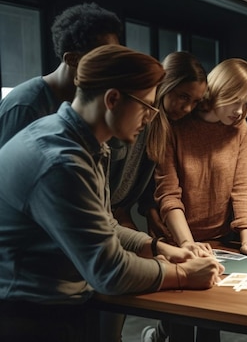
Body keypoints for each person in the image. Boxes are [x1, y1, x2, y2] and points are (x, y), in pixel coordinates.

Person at [0, 44, 224, 341]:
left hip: (56, 306)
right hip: (30, 316)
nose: (150, 117)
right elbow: (110, 271)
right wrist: (183, 275)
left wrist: (158, 248)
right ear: (113, 99)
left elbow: (104, 225)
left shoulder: (85, 144)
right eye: (146, 105)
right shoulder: (62, 161)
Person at [154, 58, 247, 259]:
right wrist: (187, 243)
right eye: (235, 101)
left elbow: (241, 187)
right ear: (220, 90)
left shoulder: (240, 128)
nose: (239, 112)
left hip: (221, 241)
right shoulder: (176, 123)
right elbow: (169, 194)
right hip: (177, 241)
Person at [109, 51, 207, 232]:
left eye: (195, 102)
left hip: (118, 215)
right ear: (165, 85)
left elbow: (145, 179)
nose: (187, 108)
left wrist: (148, 209)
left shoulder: (168, 127)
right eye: (183, 96)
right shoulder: (134, 121)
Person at [0, 2, 122, 147]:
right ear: (72, 59)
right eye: (104, 57)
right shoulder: (25, 105)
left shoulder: (89, 100)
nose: (113, 65)